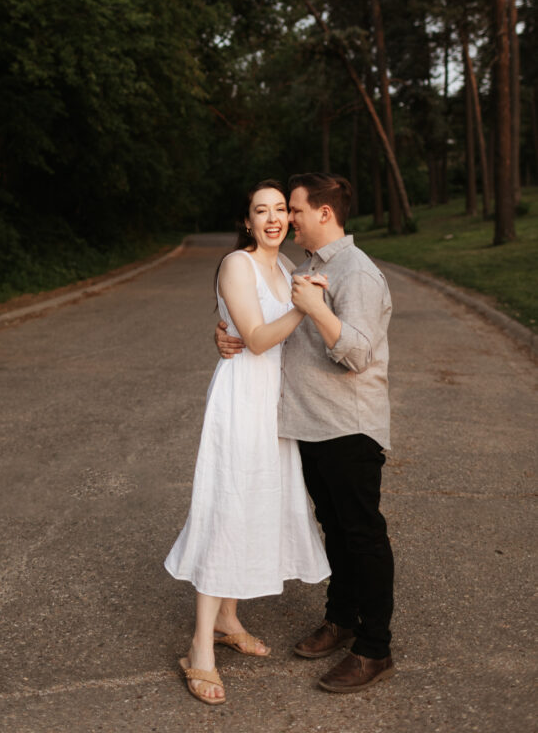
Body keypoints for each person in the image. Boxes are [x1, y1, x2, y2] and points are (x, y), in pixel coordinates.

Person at [215, 172, 395, 693]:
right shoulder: (307, 265)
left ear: (323, 213)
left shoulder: (357, 274)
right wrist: (223, 333)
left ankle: (374, 647)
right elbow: (260, 315)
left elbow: (357, 353)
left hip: (347, 425)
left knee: (362, 534)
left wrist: (315, 308)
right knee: (335, 528)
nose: (286, 219)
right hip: (310, 424)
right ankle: (341, 618)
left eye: (293, 209)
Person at [165, 179, 330, 706]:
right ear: (247, 220)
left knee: (255, 508)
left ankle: (229, 620)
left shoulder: (285, 268)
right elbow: (257, 339)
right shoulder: (237, 264)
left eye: (281, 209)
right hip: (241, 402)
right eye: (262, 211)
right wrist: (305, 308)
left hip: (274, 406)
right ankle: (199, 650)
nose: (274, 218)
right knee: (227, 510)